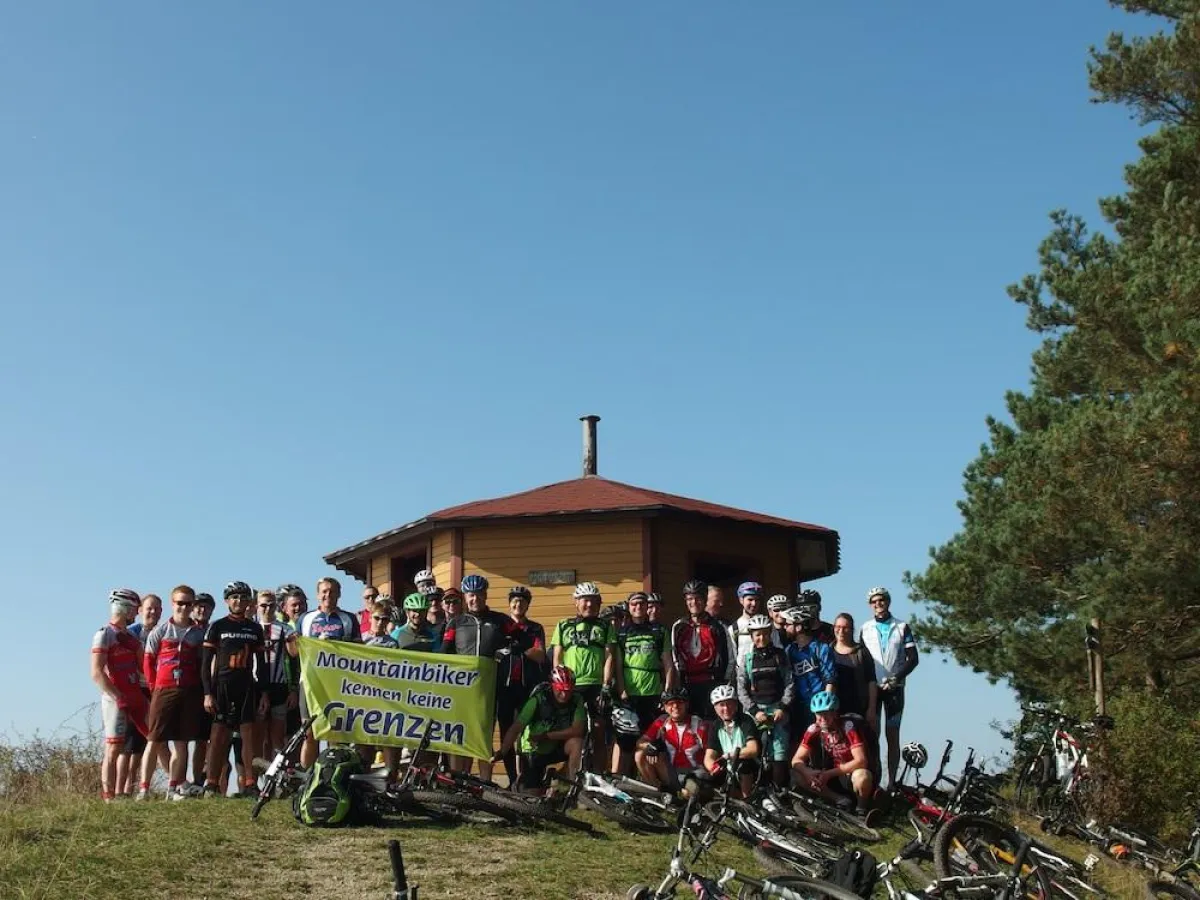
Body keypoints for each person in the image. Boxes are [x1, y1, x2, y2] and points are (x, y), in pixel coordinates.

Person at [442, 574, 529, 781]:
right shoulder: (456, 622)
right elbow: (445, 653)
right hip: (461, 690)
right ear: (465, 596)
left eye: (479, 595)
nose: (475, 599)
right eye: (471, 595)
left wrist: (508, 650)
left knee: (483, 737)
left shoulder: (500, 620)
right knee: (459, 736)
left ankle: (485, 785)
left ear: (485, 595)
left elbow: (524, 640)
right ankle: (458, 781)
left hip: (489, 689)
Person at [201, 581, 269, 797]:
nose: (238, 601)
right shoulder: (218, 626)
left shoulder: (255, 628)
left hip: (247, 686)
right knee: (219, 735)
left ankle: (250, 783)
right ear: (227, 601)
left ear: (249, 601)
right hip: (221, 686)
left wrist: (264, 693)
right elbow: (205, 662)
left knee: (249, 736)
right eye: (234, 597)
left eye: (242, 597)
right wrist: (207, 693)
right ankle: (211, 783)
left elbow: (263, 664)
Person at [139, 585, 205, 800]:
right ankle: (144, 789)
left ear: (193, 605)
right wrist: (153, 687)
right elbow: (148, 662)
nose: (184, 607)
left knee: (182, 742)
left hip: (189, 690)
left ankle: (174, 787)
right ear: (172, 603)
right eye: (180, 603)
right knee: (155, 739)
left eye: (188, 604)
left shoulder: (198, 633)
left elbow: (202, 663)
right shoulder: (160, 631)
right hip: (163, 689)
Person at [550, 582, 622, 771]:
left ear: (599, 603)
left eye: (593, 601)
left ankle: (598, 775)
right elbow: (557, 657)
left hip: (596, 685)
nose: (589, 605)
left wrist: (606, 686)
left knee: (598, 730)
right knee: (571, 733)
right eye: (584, 600)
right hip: (571, 687)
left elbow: (609, 657)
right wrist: (558, 684)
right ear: (576, 602)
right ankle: (567, 776)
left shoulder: (605, 626)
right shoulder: (563, 625)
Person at [295, 576, 361, 768]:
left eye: (332, 591)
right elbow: (293, 651)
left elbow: (359, 650)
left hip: (338, 683)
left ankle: (332, 777)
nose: (328, 595)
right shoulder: (306, 619)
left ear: (339, 594)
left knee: (336, 733)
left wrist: (337, 646)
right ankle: (307, 780)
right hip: (309, 682)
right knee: (309, 732)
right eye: (324, 591)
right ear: (317, 595)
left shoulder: (348, 618)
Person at [91, 588, 149, 801]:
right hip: (115, 697)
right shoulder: (104, 633)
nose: (136, 612)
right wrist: (117, 696)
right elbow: (96, 673)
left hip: (136, 693)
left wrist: (138, 648)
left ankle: (162, 787)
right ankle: (109, 796)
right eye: (134, 608)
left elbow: (144, 668)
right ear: (124, 607)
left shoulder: (131, 636)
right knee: (113, 747)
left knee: (156, 736)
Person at [859, 586, 919, 790]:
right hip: (874, 689)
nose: (878, 604)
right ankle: (874, 782)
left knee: (892, 735)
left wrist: (897, 677)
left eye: (881, 600)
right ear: (870, 605)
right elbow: (862, 660)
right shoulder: (865, 628)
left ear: (888, 601)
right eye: (874, 602)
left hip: (895, 688)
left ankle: (892, 783)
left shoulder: (902, 627)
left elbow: (913, 659)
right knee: (872, 736)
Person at [494, 665, 585, 791]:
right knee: (533, 795)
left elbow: (578, 730)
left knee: (576, 742)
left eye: (568, 690)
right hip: (533, 752)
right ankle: (525, 783)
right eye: (560, 689)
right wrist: (503, 751)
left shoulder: (576, 700)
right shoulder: (538, 700)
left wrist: (546, 736)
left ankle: (571, 788)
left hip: (555, 746)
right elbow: (516, 728)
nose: (564, 695)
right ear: (552, 685)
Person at [613, 591, 674, 775]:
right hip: (629, 694)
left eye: (642, 604)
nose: (638, 608)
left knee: (653, 739)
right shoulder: (622, 633)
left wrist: (667, 692)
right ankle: (620, 780)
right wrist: (621, 689)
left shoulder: (658, 630)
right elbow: (618, 665)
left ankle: (651, 780)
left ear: (648, 607)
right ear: (629, 608)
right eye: (634, 605)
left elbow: (668, 663)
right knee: (625, 740)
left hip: (653, 692)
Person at [791, 692, 875, 817]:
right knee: (797, 774)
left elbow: (861, 761)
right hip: (832, 776)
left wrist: (828, 774)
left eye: (827, 713)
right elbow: (796, 760)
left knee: (862, 776)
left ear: (835, 713)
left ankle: (861, 808)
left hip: (850, 773)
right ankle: (840, 800)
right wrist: (807, 773)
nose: (823, 718)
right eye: (819, 714)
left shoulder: (848, 726)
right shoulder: (813, 730)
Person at [496, 585, 548, 785]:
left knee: (527, 733)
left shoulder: (535, 628)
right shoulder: (501, 626)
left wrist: (523, 647)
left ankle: (528, 778)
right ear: (509, 604)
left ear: (527, 605)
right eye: (514, 601)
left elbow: (541, 654)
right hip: (505, 687)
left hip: (527, 687)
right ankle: (511, 779)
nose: (518, 604)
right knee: (506, 732)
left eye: (522, 601)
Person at [735, 614, 794, 787]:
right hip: (756, 711)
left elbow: (789, 682)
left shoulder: (780, 656)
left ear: (770, 634)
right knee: (756, 752)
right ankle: (758, 792)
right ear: (752, 636)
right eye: (757, 634)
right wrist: (754, 711)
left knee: (779, 753)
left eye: (765, 634)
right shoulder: (747, 659)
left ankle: (779, 791)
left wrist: (782, 707)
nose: (762, 638)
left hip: (777, 709)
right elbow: (741, 689)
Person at [670, 579, 735, 719]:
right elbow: (675, 657)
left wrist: (723, 683)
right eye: (689, 599)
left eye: (698, 598)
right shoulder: (678, 626)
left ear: (705, 600)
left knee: (711, 724)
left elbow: (730, 657)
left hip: (712, 683)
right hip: (687, 684)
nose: (693, 603)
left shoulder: (719, 626)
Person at [634, 687, 711, 793]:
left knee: (689, 793)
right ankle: (657, 793)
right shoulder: (662, 721)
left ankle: (681, 796)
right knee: (640, 754)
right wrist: (650, 746)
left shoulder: (698, 724)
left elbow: (710, 752)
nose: (675, 706)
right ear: (665, 707)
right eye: (670, 703)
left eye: (679, 702)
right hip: (670, 771)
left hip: (694, 772)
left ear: (687, 705)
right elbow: (640, 742)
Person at [253, 589, 299, 760]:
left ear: (277, 606)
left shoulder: (286, 629)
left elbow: (294, 659)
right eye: (263, 605)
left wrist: (293, 690)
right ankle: (255, 783)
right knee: (259, 738)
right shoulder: (251, 628)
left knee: (277, 738)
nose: (267, 609)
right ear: (257, 606)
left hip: (280, 686)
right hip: (256, 687)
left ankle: (275, 781)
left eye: (271, 605)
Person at [782, 604, 836, 746]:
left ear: (799, 627)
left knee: (824, 745)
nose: (784, 627)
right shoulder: (789, 650)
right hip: (798, 706)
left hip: (819, 706)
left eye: (787, 624)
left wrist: (826, 709)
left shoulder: (821, 648)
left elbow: (830, 679)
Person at [703, 684, 761, 798]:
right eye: (721, 705)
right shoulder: (715, 726)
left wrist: (728, 756)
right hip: (729, 769)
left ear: (735, 704)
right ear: (715, 707)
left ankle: (747, 800)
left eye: (729, 703)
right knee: (701, 777)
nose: (726, 708)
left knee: (743, 765)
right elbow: (709, 755)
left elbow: (753, 749)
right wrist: (712, 767)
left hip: (749, 765)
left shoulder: (745, 720)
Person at [831, 613, 878, 728]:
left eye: (845, 627)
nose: (841, 631)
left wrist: (871, 709)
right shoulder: (827, 652)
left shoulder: (861, 652)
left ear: (852, 630)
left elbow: (871, 682)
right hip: (834, 710)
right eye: (838, 627)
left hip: (858, 709)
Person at [190, 592, 216, 787]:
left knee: (209, 737)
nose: (202, 609)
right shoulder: (186, 629)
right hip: (190, 687)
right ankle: (191, 780)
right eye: (198, 606)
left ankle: (207, 779)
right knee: (192, 739)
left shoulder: (215, 629)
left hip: (211, 687)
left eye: (206, 607)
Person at [730, 582, 781, 658]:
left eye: (757, 600)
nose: (754, 603)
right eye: (750, 599)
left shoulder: (768, 625)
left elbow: (778, 649)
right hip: (743, 669)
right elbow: (732, 658)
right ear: (741, 600)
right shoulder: (734, 628)